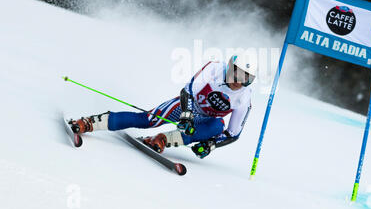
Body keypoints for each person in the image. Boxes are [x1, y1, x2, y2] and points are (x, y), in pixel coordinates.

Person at [69, 54, 256, 159]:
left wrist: (211, 145)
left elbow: (233, 133)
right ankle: (92, 122)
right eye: (238, 74)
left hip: (207, 119)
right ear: (230, 67)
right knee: (148, 120)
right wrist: (187, 115)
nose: (240, 82)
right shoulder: (215, 69)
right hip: (187, 105)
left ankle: (162, 140)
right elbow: (188, 90)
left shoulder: (244, 97)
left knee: (217, 126)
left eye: (247, 78)